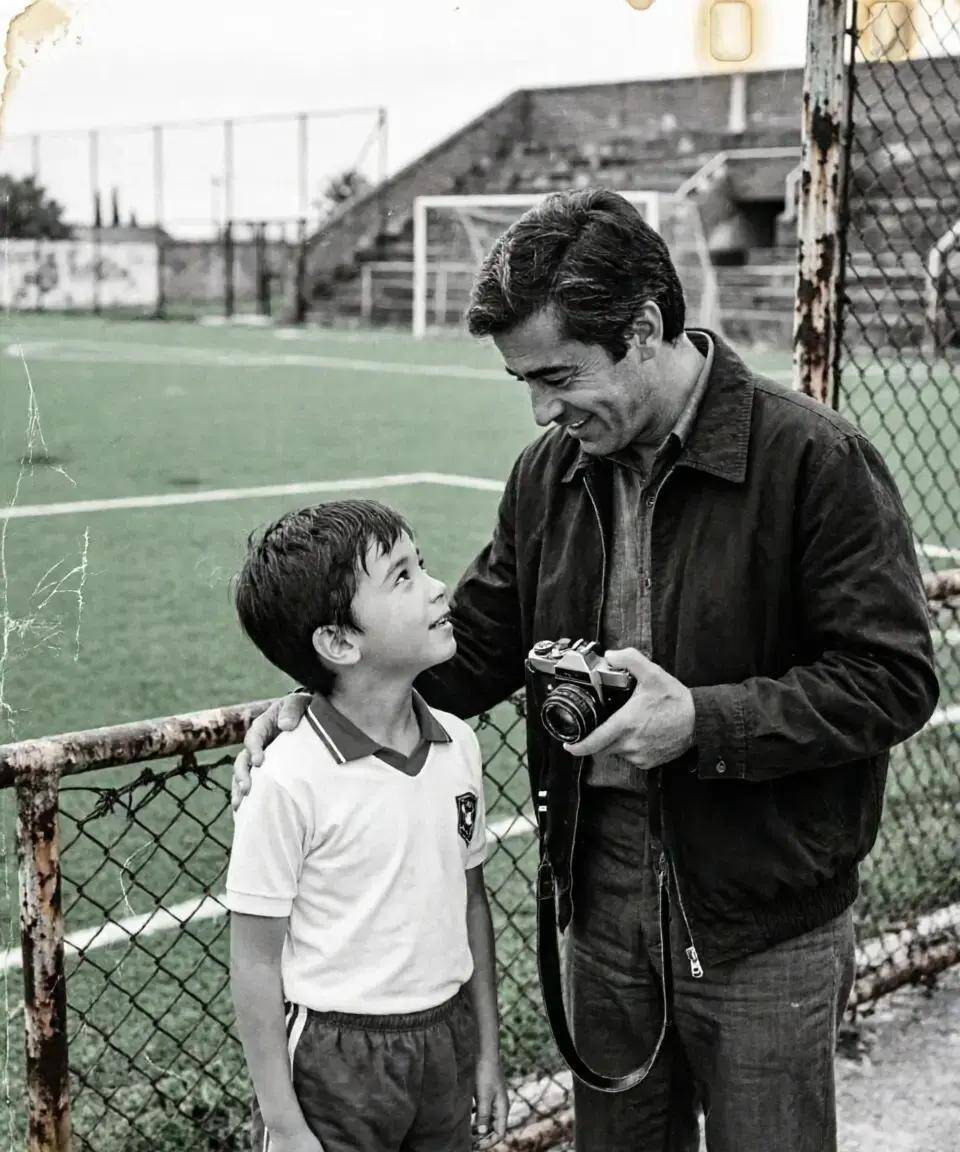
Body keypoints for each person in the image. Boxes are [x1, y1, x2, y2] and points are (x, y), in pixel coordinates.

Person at [233, 189, 939, 1152]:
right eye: (522, 381)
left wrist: (702, 722)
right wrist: (323, 703)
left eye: (558, 375)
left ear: (643, 329)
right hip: (599, 909)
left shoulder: (815, 458)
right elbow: (473, 650)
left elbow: (893, 679)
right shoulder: (548, 472)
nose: (541, 409)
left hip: (763, 920)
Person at [226, 499, 508, 1152]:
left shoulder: (459, 745)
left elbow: (472, 902)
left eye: (422, 564)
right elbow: (254, 959)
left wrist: (487, 1052)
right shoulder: (286, 776)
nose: (437, 586)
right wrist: (284, 1123)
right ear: (339, 642)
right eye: (402, 576)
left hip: (447, 1040)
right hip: (335, 1059)